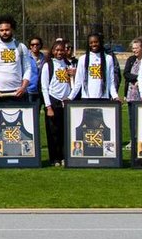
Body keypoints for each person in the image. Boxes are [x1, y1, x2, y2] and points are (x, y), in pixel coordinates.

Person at [40, 39, 73, 167]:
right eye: (57, 50)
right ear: (53, 51)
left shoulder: (68, 64)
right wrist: (48, 106)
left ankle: (65, 156)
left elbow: (73, 84)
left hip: (66, 101)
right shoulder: (48, 65)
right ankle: (55, 158)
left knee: (65, 131)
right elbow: (44, 87)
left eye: (62, 50)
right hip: (53, 101)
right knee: (53, 132)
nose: (59, 52)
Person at [0, 15, 28, 101]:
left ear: (12, 30)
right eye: (1, 30)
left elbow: (27, 69)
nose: (4, 32)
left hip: (18, 93)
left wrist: (23, 87)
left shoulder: (21, 47)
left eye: (7, 30)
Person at [70, 32, 118, 101]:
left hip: (103, 98)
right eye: (91, 42)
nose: (93, 44)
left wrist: (115, 96)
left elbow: (111, 81)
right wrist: (70, 97)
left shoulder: (108, 58)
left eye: (96, 42)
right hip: (86, 98)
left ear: (100, 42)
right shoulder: (82, 59)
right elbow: (78, 82)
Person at [120, 37, 142, 150]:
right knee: (132, 118)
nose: (134, 50)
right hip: (131, 94)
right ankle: (133, 140)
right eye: (133, 48)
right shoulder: (131, 59)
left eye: (136, 48)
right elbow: (126, 73)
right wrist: (137, 79)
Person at [25, 36, 45, 103]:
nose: (35, 46)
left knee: (37, 111)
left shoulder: (44, 58)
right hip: (28, 90)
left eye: (37, 44)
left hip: (40, 90)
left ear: (40, 45)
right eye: (32, 44)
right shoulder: (25, 57)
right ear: (30, 46)